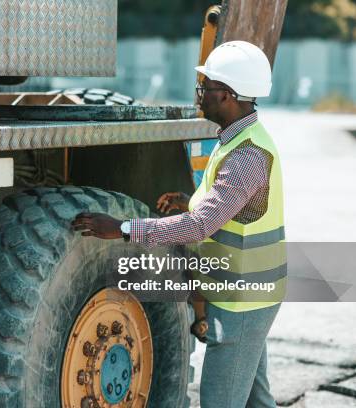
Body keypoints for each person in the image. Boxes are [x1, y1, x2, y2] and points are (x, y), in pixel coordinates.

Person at [72, 41, 285, 408]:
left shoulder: (247, 156)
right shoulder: (236, 140)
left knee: (221, 401)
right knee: (256, 401)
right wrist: (189, 202)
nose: (199, 95)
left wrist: (123, 228)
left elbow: (200, 226)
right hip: (248, 294)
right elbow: (232, 206)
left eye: (206, 88)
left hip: (242, 302)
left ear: (229, 96)